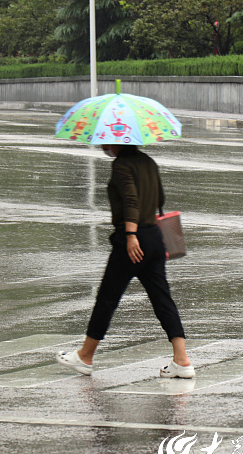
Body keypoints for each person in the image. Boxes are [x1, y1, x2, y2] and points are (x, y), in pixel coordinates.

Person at [56, 144, 194, 378]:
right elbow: (160, 197)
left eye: (107, 140)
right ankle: (182, 360)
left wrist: (130, 236)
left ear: (119, 140)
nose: (103, 145)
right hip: (154, 237)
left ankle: (86, 356)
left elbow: (131, 200)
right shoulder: (148, 161)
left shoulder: (122, 165)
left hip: (132, 241)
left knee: (107, 298)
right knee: (163, 299)